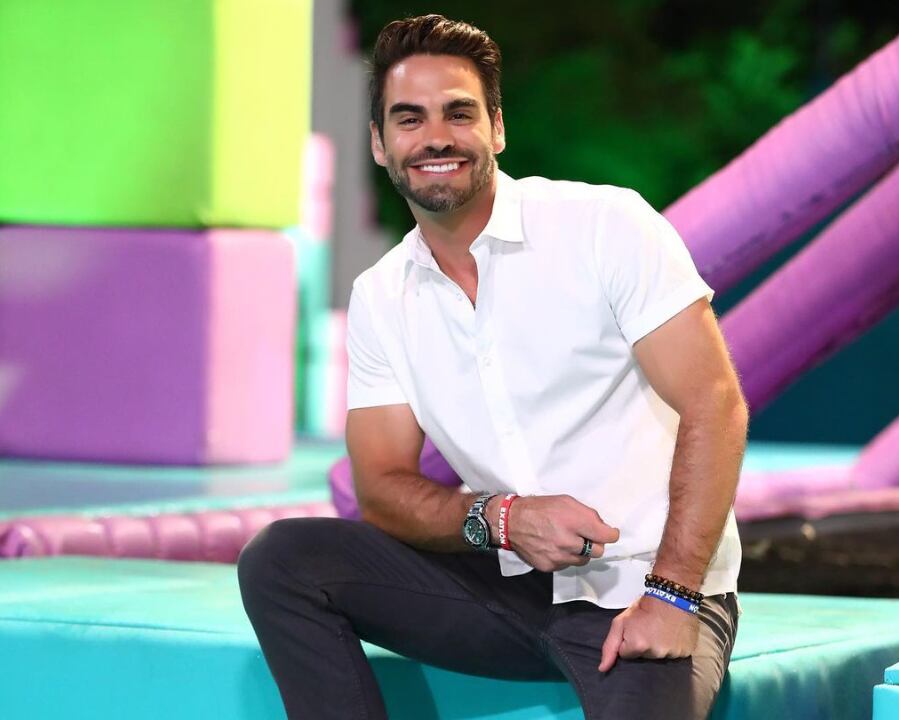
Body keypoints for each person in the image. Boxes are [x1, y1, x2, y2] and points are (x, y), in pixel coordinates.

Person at [238, 13, 748, 720]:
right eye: (409, 119)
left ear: (497, 128)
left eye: (459, 113)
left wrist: (673, 595)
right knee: (284, 561)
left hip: (645, 587)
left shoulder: (605, 226)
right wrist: (503, 520)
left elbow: (715, 403)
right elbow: (381, 490)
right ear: (380, 144)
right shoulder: (382, 297)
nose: (436, 137)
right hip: (505, 586)